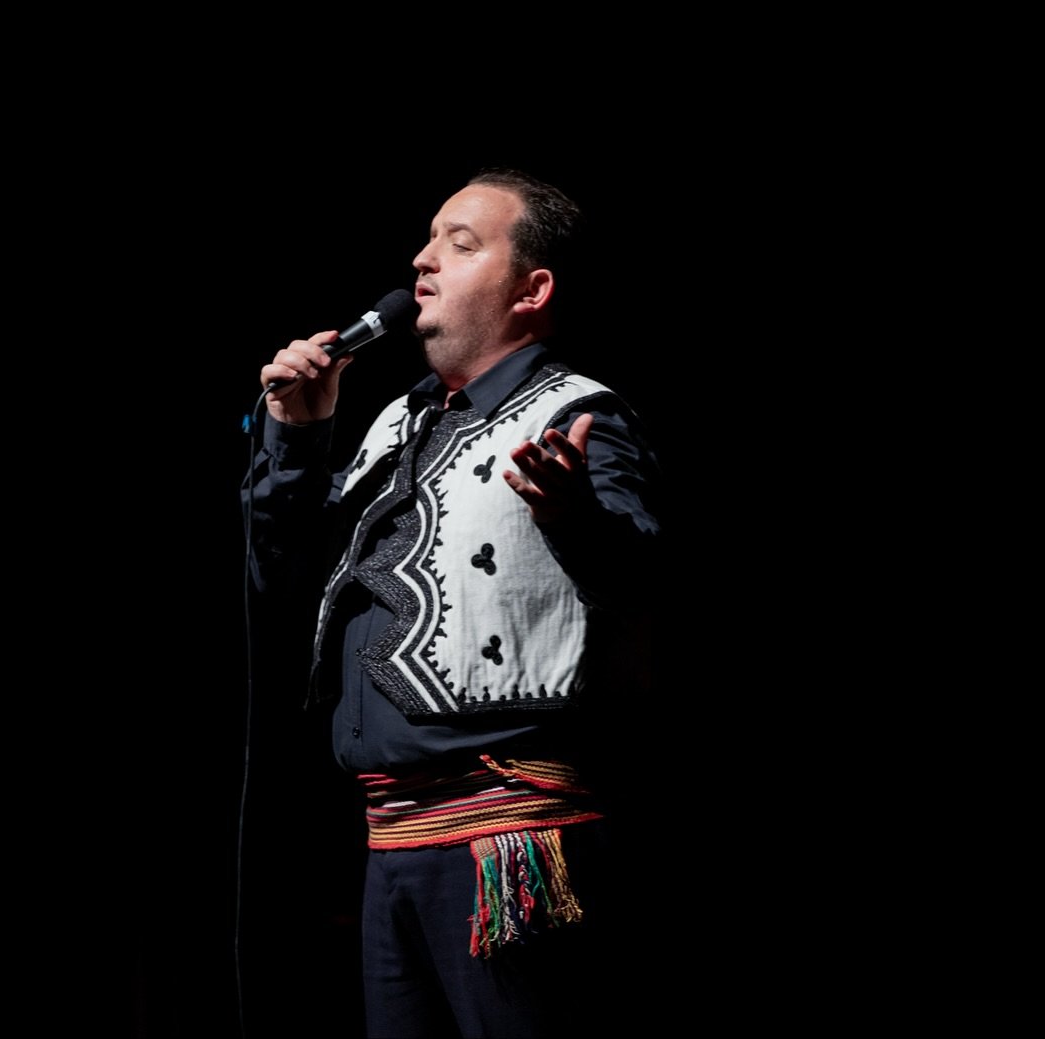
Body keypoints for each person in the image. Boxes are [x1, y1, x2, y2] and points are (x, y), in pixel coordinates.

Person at [245, 168, 662, 1037]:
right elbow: (282, 583)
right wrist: (299, 439)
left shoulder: (575, 415)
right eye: (429, 239)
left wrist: (576, 516)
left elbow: (648, 578)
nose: (422, 261)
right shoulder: (395, 424)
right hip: (388, 842)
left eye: (460, 244)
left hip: (509, 837)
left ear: (531, 290)